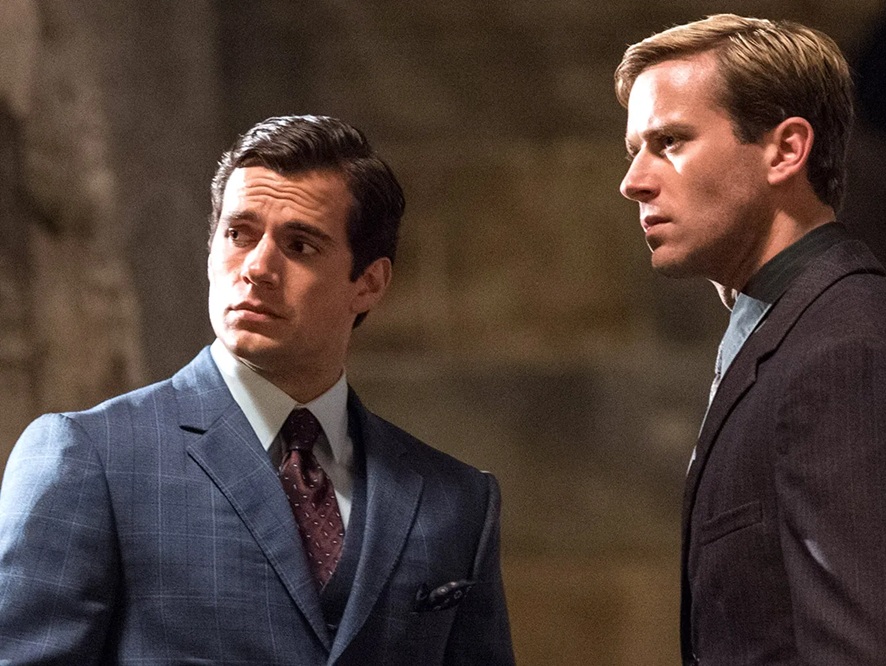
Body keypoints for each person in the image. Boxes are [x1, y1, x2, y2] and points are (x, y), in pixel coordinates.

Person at [0, 115, 515, 665]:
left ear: (368, 283)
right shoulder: (88, 456)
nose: (257, 267)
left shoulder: (457, 500)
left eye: (300, 245)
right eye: (238, 234)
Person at [616, 14, 886, 665]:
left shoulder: (850, 364)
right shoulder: (812, 340)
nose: (634, 182)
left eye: (670, 141)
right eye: (635, 151)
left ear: (786, 150)